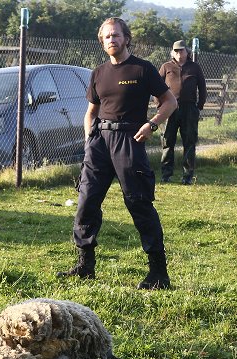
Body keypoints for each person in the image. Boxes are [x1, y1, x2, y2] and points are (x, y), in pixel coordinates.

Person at [58, 17, 178, 290]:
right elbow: (91, 112)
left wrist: (152, 125)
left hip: (129, 139)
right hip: (99, 141)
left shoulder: (143, 69)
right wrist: (89, 141)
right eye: (107, 37)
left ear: (126, 38)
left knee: (139, 203)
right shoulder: (98, 73)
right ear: (102, 42)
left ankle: (158, 273)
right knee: (86, 201)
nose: (112, 40)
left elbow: (169, 102)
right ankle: (85, 266)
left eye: (116, 35)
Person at [158, 39, 207, 185]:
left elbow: (202, 88)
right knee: (167, 141)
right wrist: (160, 104)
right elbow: (156, 86)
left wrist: (199, 106)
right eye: (177, 51)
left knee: (189, 142)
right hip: (169, 108)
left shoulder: (195, 68)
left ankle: (187, 176)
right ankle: (166, 174)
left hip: (189, 109)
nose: (179, 53)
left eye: (182, 50)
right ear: (173, 52)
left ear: (187, 52)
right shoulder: (166, 67)